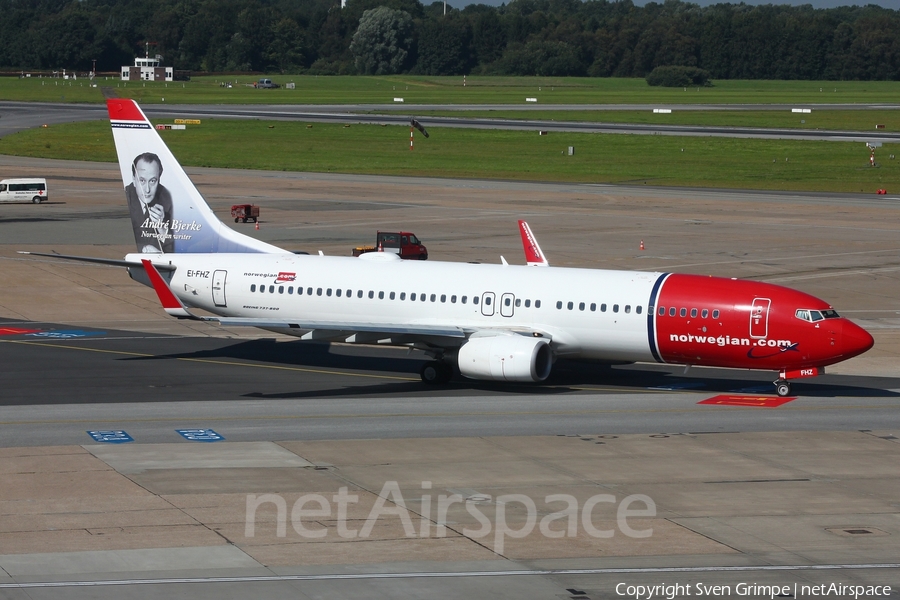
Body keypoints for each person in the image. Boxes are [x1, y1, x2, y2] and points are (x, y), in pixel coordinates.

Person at [125, 152, 174, 253]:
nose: (147, 190)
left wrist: (162, 230)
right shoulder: (126, 198)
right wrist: (142, 248)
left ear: (159, 180)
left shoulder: (167, 200)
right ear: (134, 180)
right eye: (142, 181)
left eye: (152, 181)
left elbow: (177, 249)